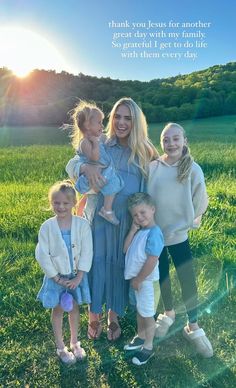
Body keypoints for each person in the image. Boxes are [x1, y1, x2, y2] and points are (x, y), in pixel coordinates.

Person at [66, 97, 158, 341]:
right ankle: (93, 315)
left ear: (136, 122)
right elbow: (72, 163)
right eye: (117, 116)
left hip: (126, 222)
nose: (121, 122)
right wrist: (85, 169)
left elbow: (157, 183)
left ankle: (112, 316)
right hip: (98, 217)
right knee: (95, 263)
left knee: (118, 266)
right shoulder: (102, 143)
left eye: (128, 118)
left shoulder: (145, 152)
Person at [148, 122, 213, 358]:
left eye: (176, 138)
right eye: (166, 139)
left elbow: (201, 199)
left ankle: (193, 325)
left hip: (179, 235)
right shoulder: (154, 167)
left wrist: (191, 220)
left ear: (184, 140)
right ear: (161, 143)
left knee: (187, 279)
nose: (171, 143)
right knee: (162, 274)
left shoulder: (192, 168)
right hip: (156, 234)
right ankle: (168, 312)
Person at [36, 180, 93, 364]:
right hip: (57, 278)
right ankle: (61, 347)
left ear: (74, 203)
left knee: (74, 308)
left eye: (65, 203)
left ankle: (75, 342)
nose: (60, 207)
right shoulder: (47, 227)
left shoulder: (82, 225)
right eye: (56, 203)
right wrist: (56, 277)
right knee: (59, 309)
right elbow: (42, 254)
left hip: (76, 277)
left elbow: (87, 251)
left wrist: (79, 276)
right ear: (51, 203)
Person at [123, 193, 164, 366]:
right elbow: (125, 250)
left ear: (152, 209)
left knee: (147, 314)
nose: (139, 217)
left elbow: (152, 260)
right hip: (139, 281)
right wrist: (132, 230)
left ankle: (148, 346)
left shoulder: (154, 233)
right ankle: (141, 336)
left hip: (146, 281)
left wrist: (139, 279)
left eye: (143, 212)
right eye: (135, 215)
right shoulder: (140, 231)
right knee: (141, 311)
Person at [70, 100, 124, 225]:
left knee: (113, 183)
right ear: (88, 126)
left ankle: (107, 209)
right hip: (97, 173)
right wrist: (95, 143)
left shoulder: (99, 139)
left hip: (102, 171)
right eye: (99, 123)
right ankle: (107, 210)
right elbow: (94, 158)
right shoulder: (86, 142)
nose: (102, 126)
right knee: (112, 184)